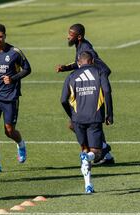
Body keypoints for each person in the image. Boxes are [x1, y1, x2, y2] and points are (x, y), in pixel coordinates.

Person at [56, 23, 114, 165]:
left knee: (76, 124)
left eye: (71, 34)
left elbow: (103, 69)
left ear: (79, 37)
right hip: (90, 84)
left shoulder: (87, 49)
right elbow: (81, 63)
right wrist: (66, 68)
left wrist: (96, 82)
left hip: (92, 88)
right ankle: (107, 155)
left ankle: (103, 149)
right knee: (88, 124)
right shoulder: (81, 46)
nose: (68, 36)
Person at [60, 51, 114, 193]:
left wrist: (71, 115)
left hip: (77, 119)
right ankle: (87, 157)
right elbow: (107, 91)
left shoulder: (71, 75)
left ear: (79, 62)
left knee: (84, 149)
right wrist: (109, 114)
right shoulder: (99, 72)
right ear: (91, 61)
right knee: (95, 153)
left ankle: (88, 185)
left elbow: (63, 100)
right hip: (94, 118)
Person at [0, 23, 31, 173]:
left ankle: (21, 143)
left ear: (5, 36)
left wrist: (13, 78)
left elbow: (27, 69)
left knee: (9, 130)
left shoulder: (14, 52)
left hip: (11, 96)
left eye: (1, 37)